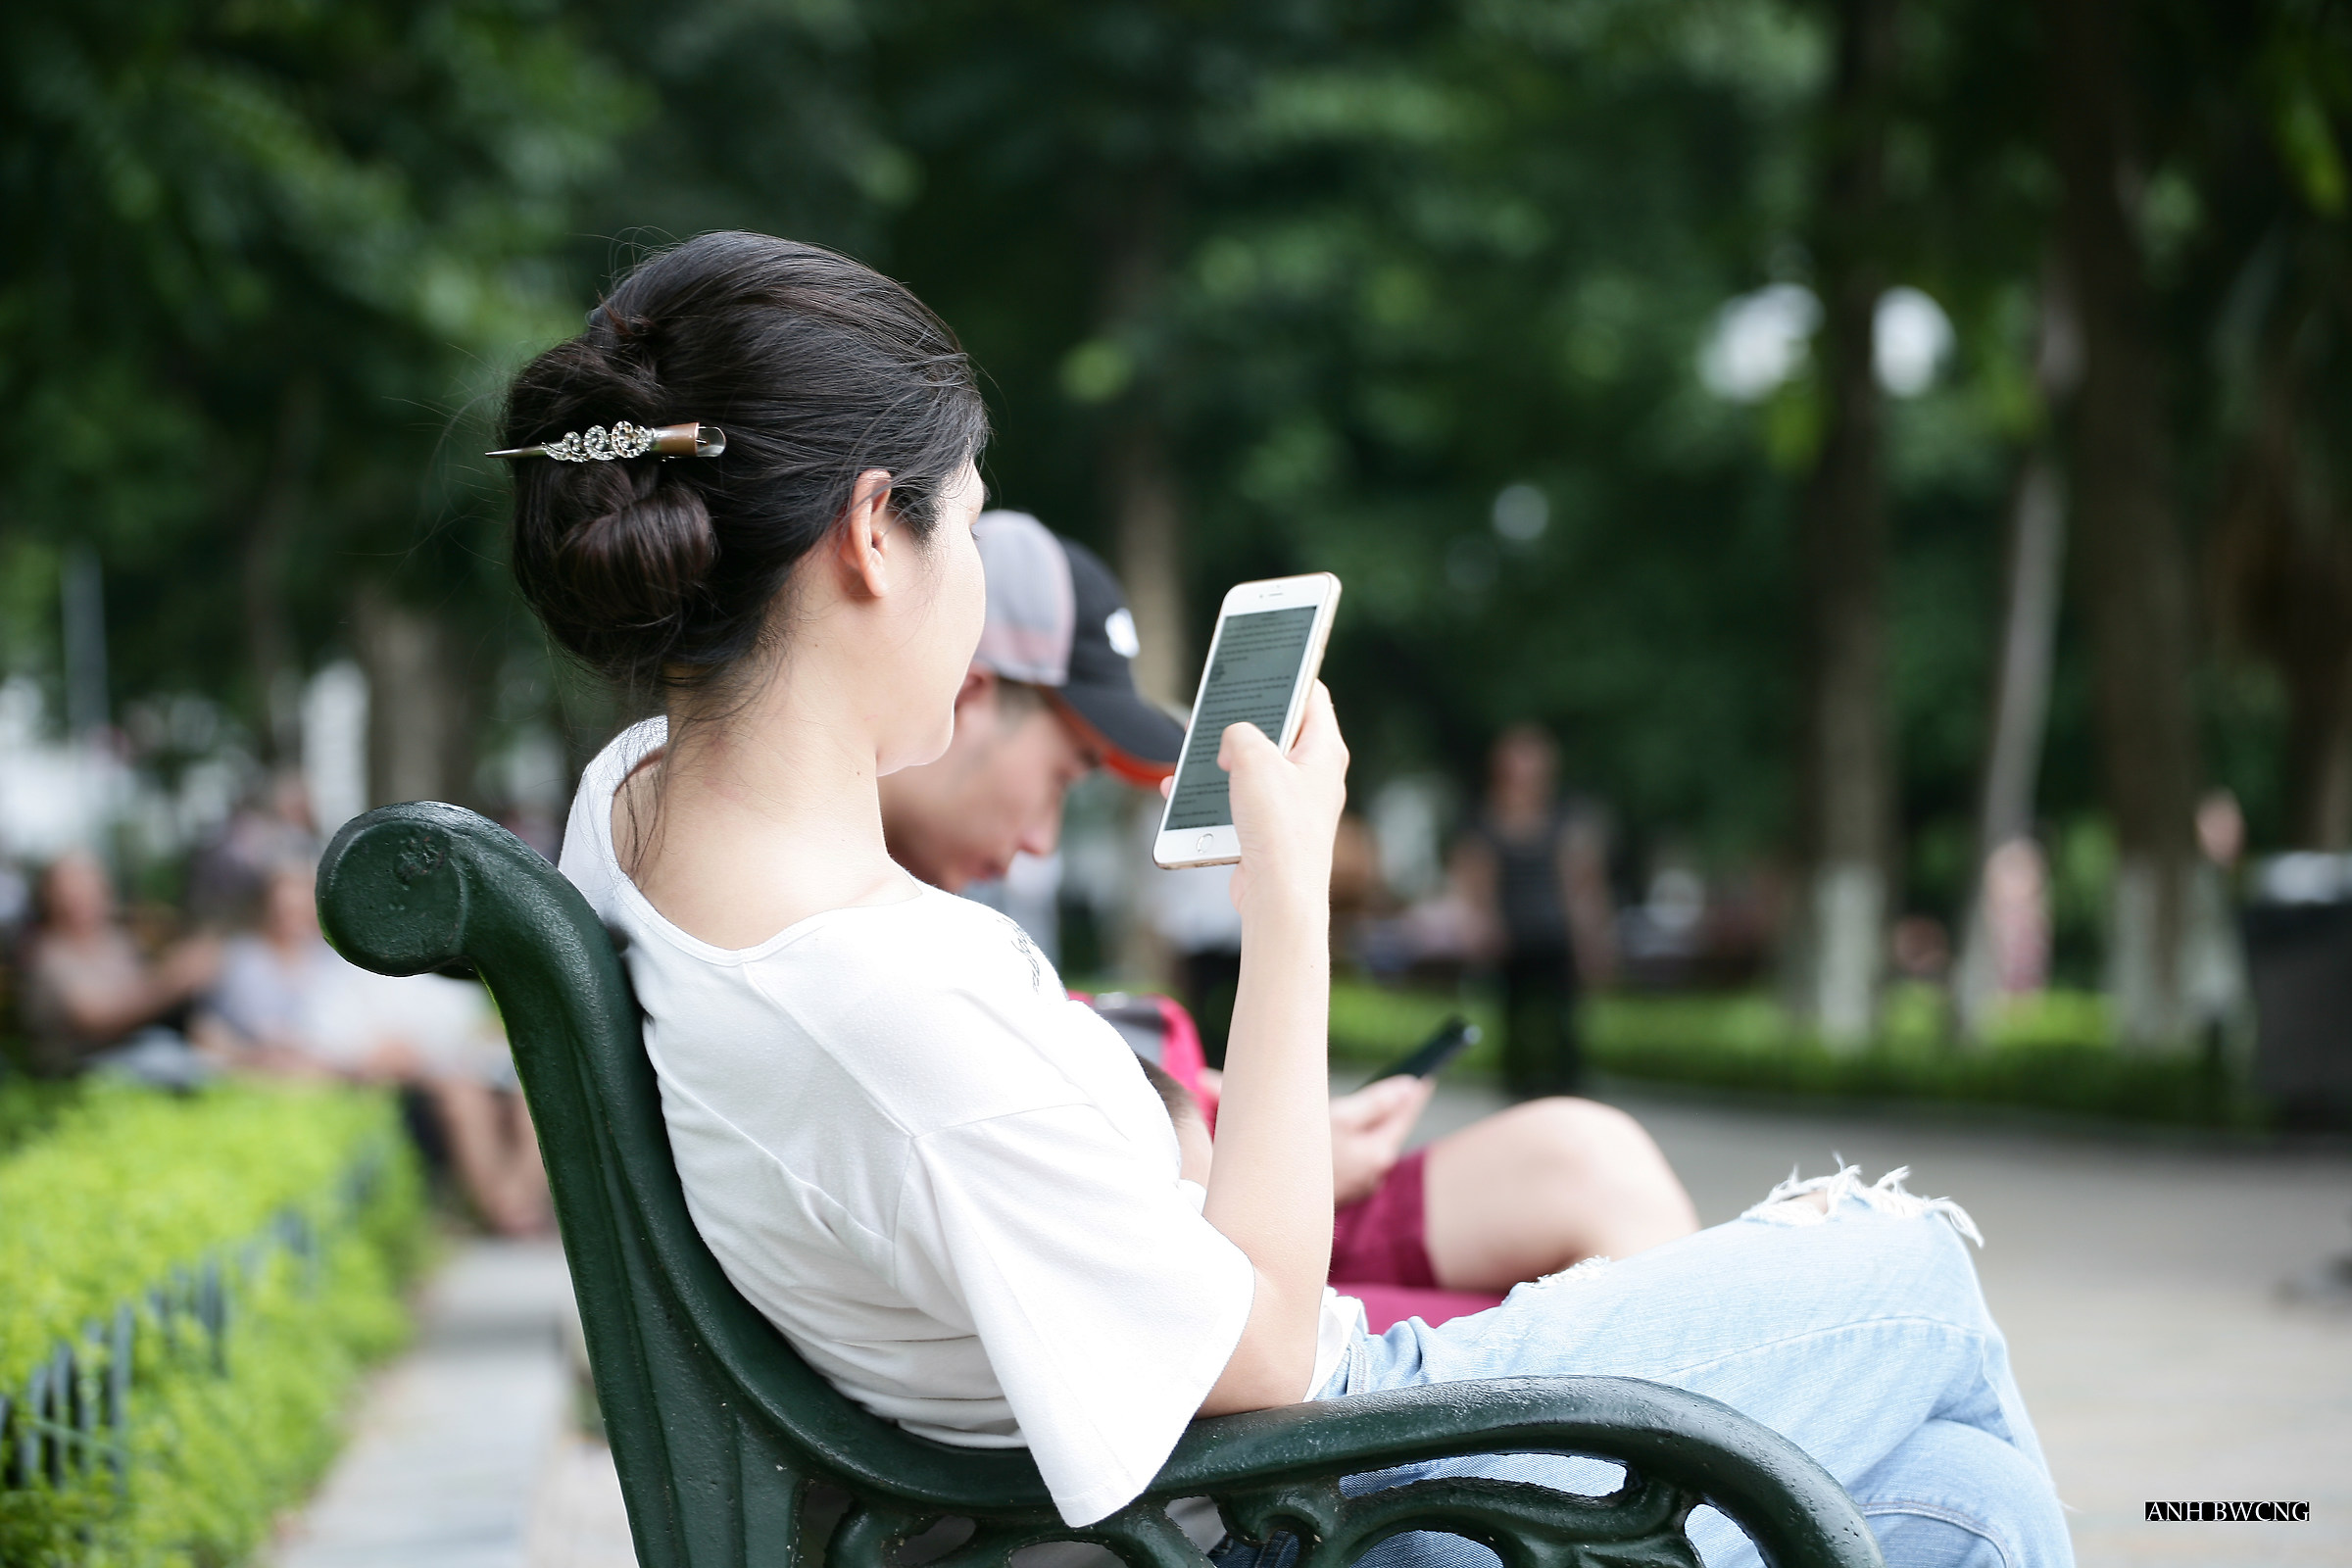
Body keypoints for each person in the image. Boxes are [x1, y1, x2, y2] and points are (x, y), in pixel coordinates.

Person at [516, 232, 2067, 1565]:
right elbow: (1262, 1357)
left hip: (1216, 1489)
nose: (976, 576)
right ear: (870, 533)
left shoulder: (639, 809)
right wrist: (1289, 898)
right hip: (1338, 1494)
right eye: (970, 520)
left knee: (1967, 1509)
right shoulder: (881, 1005)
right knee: (1914, 1275)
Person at [879, 509, 1695, 1310]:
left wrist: (1238, 1108)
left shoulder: (903, 922)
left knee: (1589, 1154)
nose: (1043, 844)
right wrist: (1289, 897)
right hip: (1219, 1261)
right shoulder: (876, 949)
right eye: (1066, 774)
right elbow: (1250, 1333)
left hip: (1220, 1193)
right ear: (969, 695)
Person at [196, 861, 549, 1235]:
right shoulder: (319, 966)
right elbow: (325, 1039)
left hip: (446, 1065)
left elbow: (460, 1026)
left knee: (524, 1101)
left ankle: (512, 1203)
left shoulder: (428, 959)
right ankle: (508, 1210)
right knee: (464, 1099)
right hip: (395, 1073)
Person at [1453, 726, 1614, 1098]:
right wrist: (1480, 928)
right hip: (1511, 942)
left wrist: (1593, 940)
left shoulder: (1566, 818)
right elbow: (1475, 882)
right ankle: (1520, 1101)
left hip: (1556, 938)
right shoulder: (1485, 820)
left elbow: (1583, 885)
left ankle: (1569, 1098)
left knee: (1565, 1027)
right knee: (1514, 1029)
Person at [18, 849, 220, 1083]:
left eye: (86, 886)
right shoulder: (47, 953)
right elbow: (97, 1022)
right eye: (68, 889)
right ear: (48, 897)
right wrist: (173, 979)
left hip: (135, 1048)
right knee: (175, 1061)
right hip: (80, 1066)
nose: (78, 897)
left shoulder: (117, 941)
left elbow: (141, 994)